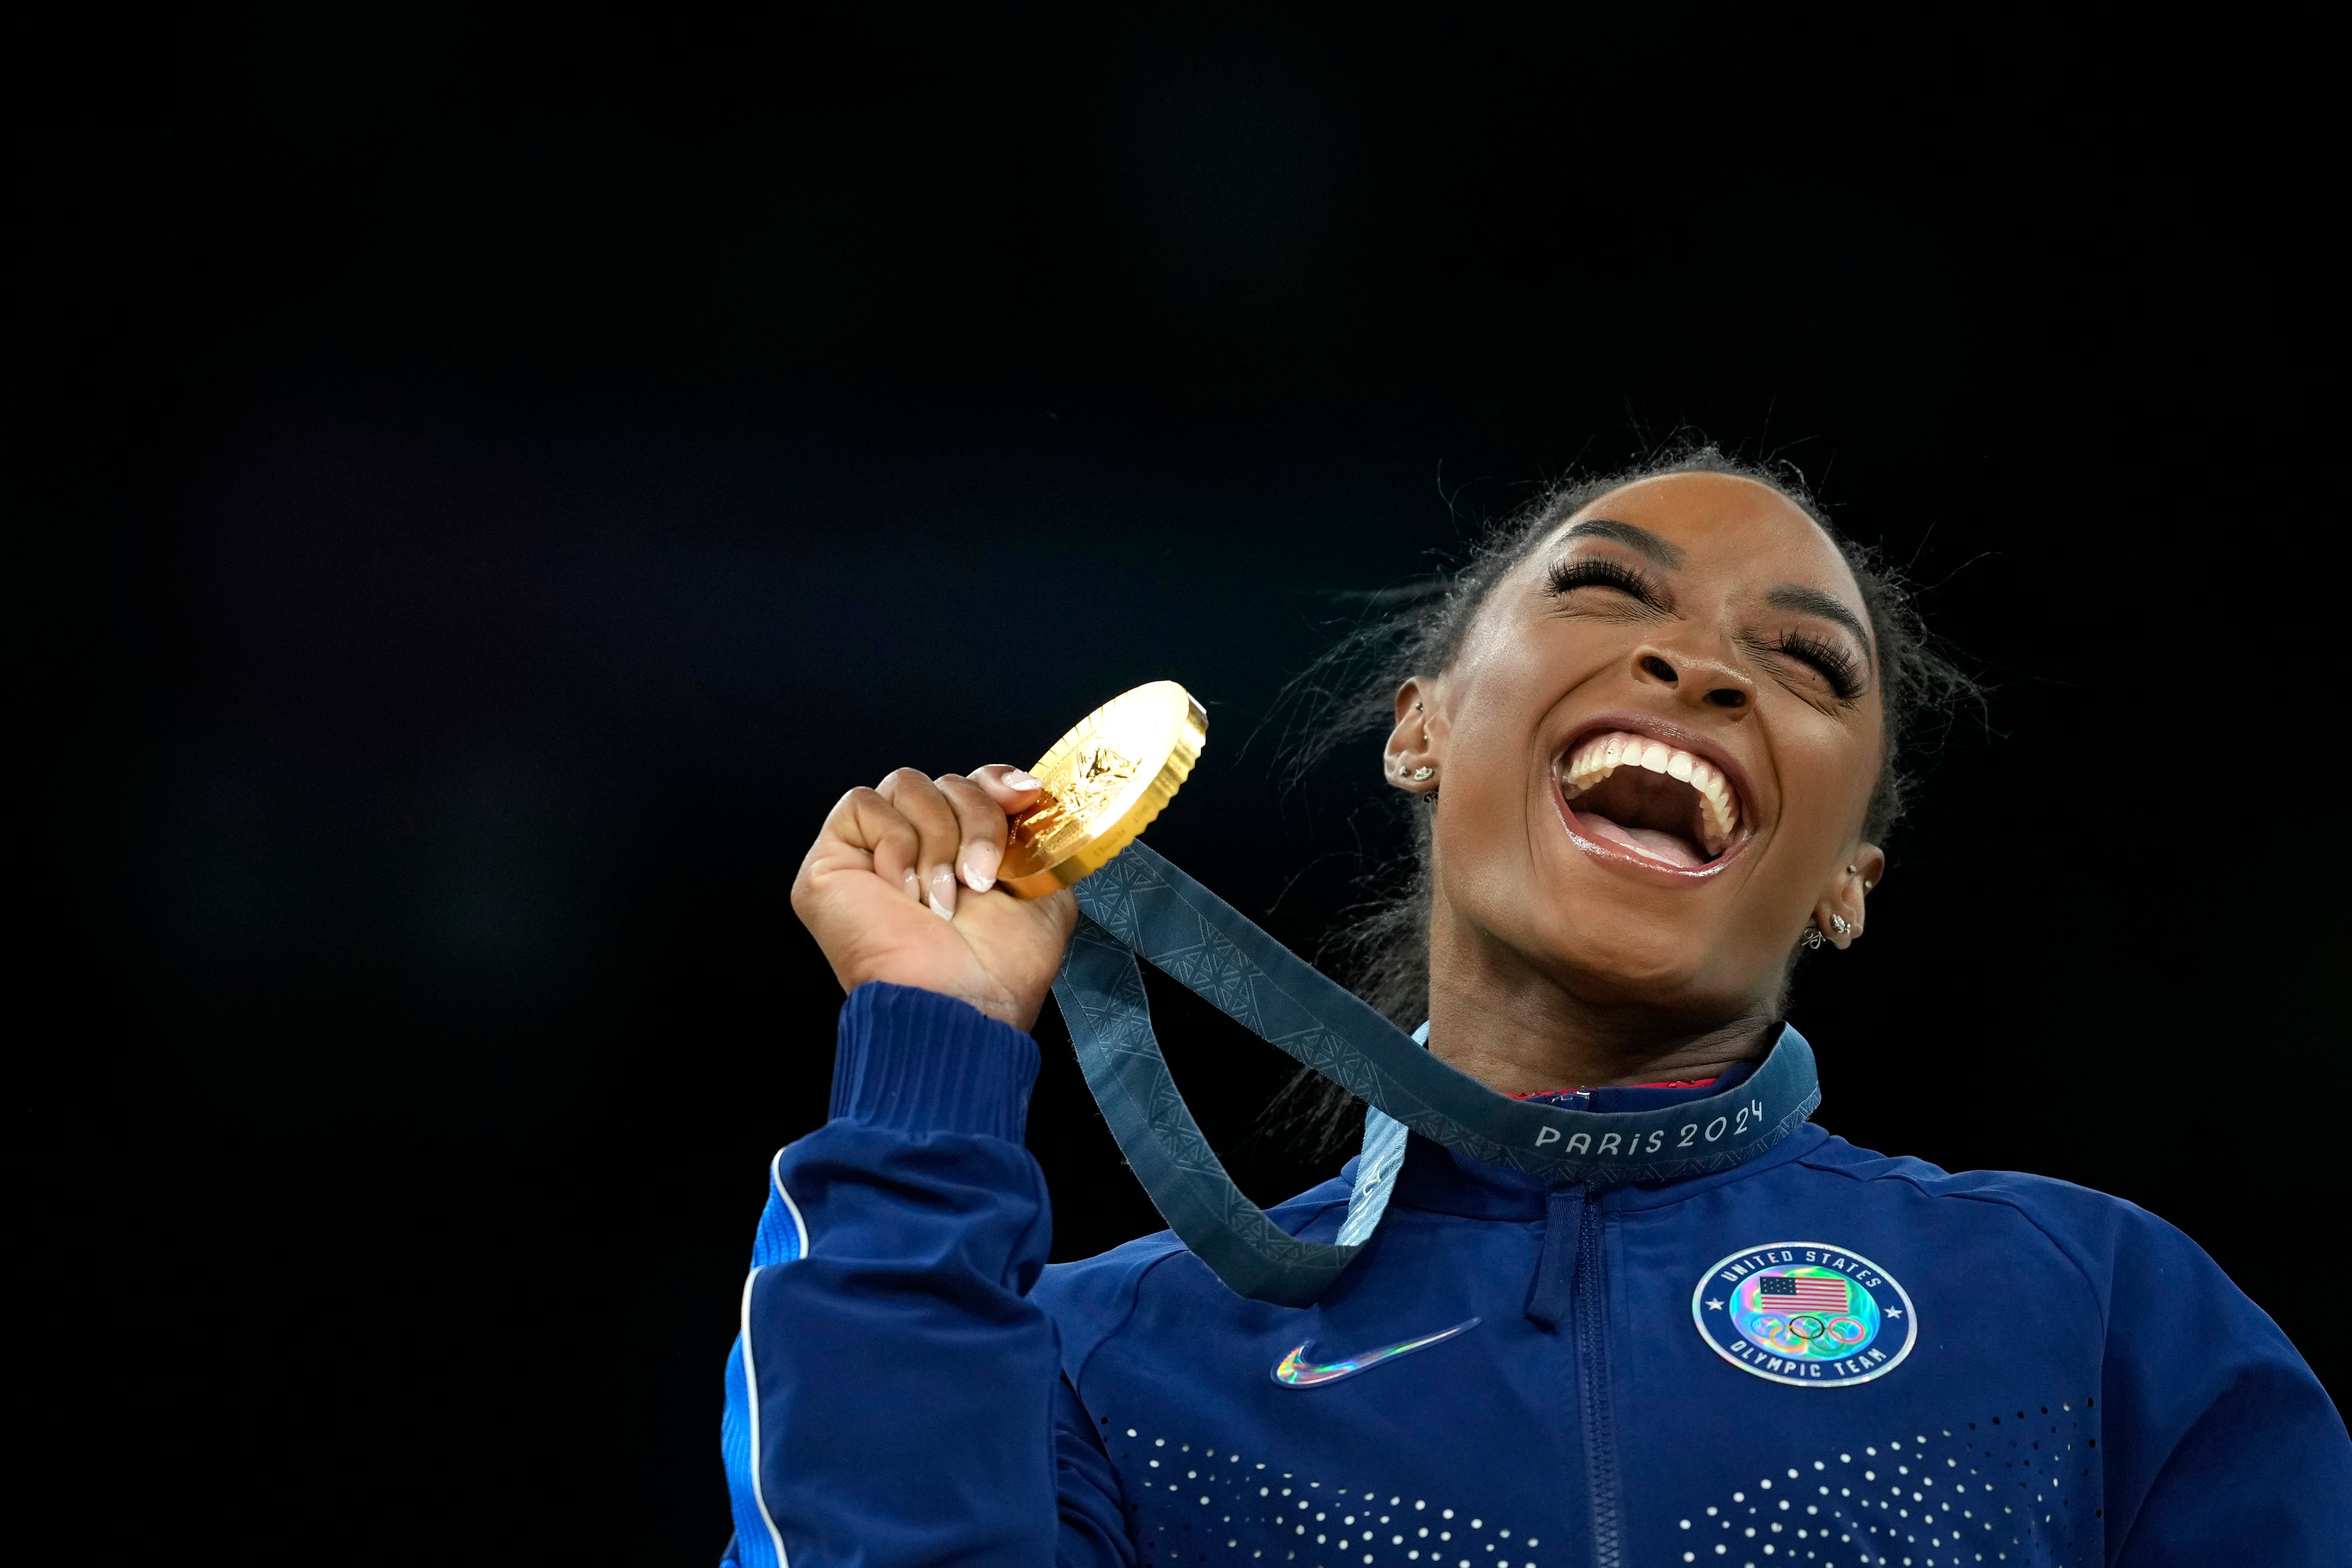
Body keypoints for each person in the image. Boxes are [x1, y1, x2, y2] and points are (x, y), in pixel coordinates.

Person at [720, 453, 2350, 1567]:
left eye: (1806, 666)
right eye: (1606, 593)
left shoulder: (2107, 1322)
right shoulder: (1109, 1367)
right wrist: (927, 1055)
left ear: (1851, 877)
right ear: (1423, 730)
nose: (1697, 670)